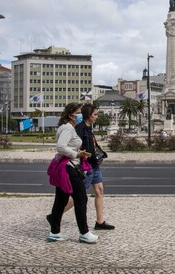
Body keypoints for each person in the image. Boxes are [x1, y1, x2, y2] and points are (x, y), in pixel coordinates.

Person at [46, 102, 99, 244]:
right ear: (71, 115)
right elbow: (61, 147)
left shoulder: (67, 127)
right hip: (69, 168)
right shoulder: (68, 129)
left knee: (61, 200)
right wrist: (77, 154)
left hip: (65, 167)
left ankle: (54, 232)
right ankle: (84, 233)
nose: (81, 115)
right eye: (79, 112)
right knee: (81, 198)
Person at [75, 103, 115, 230]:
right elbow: (77, 147)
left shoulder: (89, 127)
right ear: (88, 115)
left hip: (94, 164)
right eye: (95, 114)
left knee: (99, 190)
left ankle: (100, 222)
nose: (97, 117)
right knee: (78, 195)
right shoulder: (79, 129)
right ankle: (55, 215)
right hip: (86, 166)